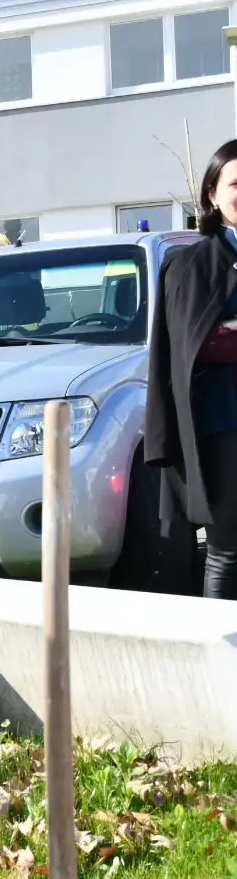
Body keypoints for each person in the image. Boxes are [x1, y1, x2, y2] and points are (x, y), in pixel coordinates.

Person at [147, 138, 237, 598]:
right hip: (224, 425)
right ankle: (220, 658)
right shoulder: (191, 265)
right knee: (227, 548)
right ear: (212, 195)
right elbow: (191, 347)